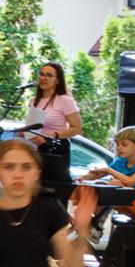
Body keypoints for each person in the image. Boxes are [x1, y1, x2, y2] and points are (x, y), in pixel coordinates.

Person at [26, 63, 82, 202]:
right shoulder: (34, 101)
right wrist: (25, 133)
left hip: (55, 148)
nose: (43, 78)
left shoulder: (64, 100)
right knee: (35, 193)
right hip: (36, 149)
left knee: (53, 193)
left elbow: (77, 128)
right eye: (41, 74)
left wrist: (54, 135)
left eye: (49, 75)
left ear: (57, 80)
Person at [85, 125, 135, 219]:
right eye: (117, 144)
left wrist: (108, 170)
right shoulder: (119, 162)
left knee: (115, 184)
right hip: (128, 204)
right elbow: (98, 175)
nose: (119, 148)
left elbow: (131, 182)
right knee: (98, 186)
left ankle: (92, 221)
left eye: (124, 144)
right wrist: (79, 179)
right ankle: (92, 221)